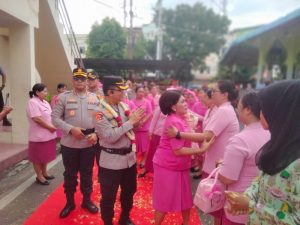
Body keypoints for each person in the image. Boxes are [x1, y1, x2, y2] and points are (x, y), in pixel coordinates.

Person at [225, 80, 300, 225]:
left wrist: (251, 206)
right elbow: (261, 180)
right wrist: (247, 197)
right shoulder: (278, 144)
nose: (259, 113)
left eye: (264, 108)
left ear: (281, 112)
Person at [167, 80, 239, 225]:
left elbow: (207, 135)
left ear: (225, 94)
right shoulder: (221, 109)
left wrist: (179, 134)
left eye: (215, 91)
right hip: (217, 162)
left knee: (217, 206)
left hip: (218, 165)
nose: (212, 94)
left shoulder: (224, 110)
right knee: (217, 207)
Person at [152, 90, 214, 225]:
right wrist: (201, 149)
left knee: (185, 198)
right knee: (165, 200)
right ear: (174, 107)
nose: (186, 104)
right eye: (182, 102)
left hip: (179, 165)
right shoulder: (175, 121)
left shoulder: (181, 118)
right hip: (168, 165)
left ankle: (185, 222)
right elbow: (178, 151)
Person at [94, 75, 145, 225]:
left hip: (128, 159)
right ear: (110, 92)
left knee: (129, 191)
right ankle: (108, 221)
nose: (124, 94)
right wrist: (130, 123)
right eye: (120, 91)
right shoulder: (98, 113)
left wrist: (136, 124)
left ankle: (124, 217)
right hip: (111, 161)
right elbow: (109, 137)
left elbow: (129, 128)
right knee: (109, 196)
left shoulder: (124, 106)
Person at [52, 68, 99, 218]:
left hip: (88, 144)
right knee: (70, 175)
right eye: (77, 78)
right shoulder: (63, 97)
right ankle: (70, 202)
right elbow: (54, 118)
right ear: (73, 80)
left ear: (87, 80)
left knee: (87, 174)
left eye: (82, 79)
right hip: (69, 145)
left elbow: (100, 120)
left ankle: (86, 200)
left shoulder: (95, 98)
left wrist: (96, 134)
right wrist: (71, 129)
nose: (80, 81)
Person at [217, 92, 270, 225]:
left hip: (239, 203)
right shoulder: (271, 133)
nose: (237, 110)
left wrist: (220, 167)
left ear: (248, 110)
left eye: (239, 106)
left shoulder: (240, 140)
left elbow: (228, 177)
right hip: (262, 201)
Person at [26, 83, 57, 185]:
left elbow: (50, 116)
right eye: (44, 91)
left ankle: (44, 172)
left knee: (45, 156)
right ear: (37, 92)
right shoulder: (32, 102)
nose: (46, 93)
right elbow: (37, 119)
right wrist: (50, 127)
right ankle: (39, 176)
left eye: (46, 91)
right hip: (38, 136)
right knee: (38, 157)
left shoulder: (45, 102)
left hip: (48, 134)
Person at [131, 86, 153, 167]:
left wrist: (143, 121)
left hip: (145, 127)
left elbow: (150, 113)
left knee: (145, 146)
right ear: (135, 92)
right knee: (135, 145)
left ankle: (143, 160)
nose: (141, 93)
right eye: (139, 91)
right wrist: (136, 122)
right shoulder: (131, 102)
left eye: (142, 92)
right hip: (135, 128)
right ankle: (135, 159)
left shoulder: (147, 102)